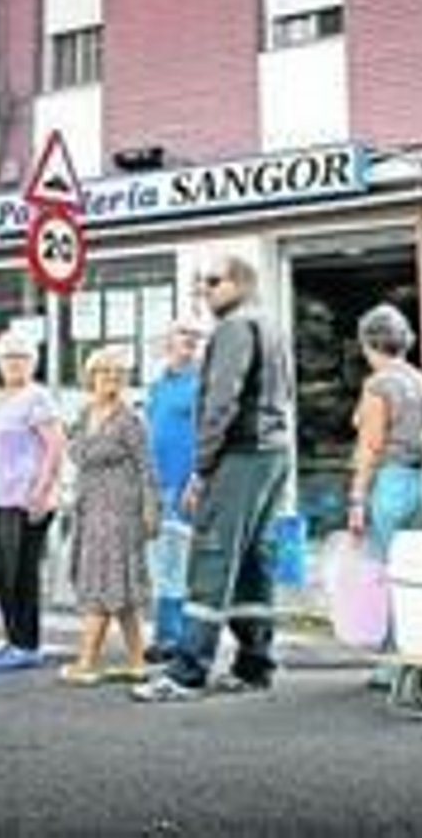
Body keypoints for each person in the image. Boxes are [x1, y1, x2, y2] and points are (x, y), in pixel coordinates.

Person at [134, 255, 294, 703]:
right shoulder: (272, 325)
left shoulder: (234, 328)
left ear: (241, 283)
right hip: (272, 453)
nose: (204, 289)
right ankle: (253, 663)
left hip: (240, 455)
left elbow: (221, 402)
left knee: (212, 557)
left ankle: (187, 671)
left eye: (212, 281)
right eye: (201, 282)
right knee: (252, 562)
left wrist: (202, 470)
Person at [346, 304, 422, 686]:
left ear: (369, 342)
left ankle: (391, 664)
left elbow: (370, 445)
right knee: (416, 574)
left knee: (386, 574)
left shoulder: (379, 384)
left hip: (390, 481)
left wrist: (356, 498)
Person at [61, 347, 160, 686]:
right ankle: (137, 662)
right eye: (104, 372)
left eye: (118, 373)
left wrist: (151, 509)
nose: (112, 379)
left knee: (106, 582)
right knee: (122, 588)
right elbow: (73, 451)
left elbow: (147, 468)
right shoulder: (83, 414)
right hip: (90, 507)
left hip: (120, 510)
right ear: (91, 377)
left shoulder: (130, 419)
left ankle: (86, 662)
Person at [0, 330, 66, 672]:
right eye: (8, 357)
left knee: (20, 573)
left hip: (25, 499)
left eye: (21, 356)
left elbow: (56, 446)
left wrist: (41, 491)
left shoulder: (37, 397)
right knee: (1, 573)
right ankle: (14, 640)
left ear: (33, 361)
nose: (14, 363)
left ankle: (28, 645)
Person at [143, 320, 203, 664]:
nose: (191, 341)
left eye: (196, 337)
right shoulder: (157, 386)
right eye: (184, 335)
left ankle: (174, 637)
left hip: (186, 486)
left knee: (178, 563)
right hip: (157, 484)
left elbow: (207, 436)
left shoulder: (201, 385)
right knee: (161, 563)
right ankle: (167, 635)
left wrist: (198, 477)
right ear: (167, 343)